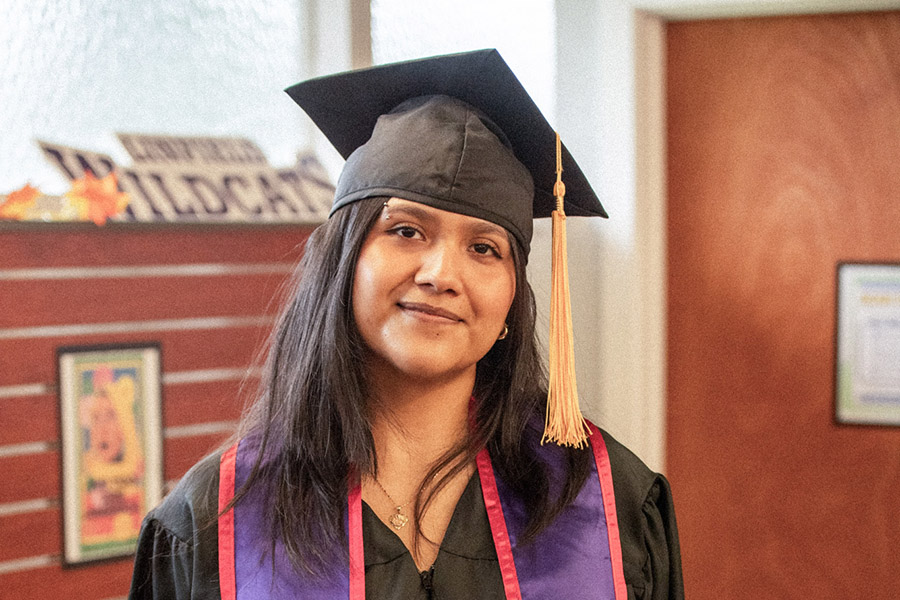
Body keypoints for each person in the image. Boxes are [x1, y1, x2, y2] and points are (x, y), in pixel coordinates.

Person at [128, 49, 683, 600]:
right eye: (406, 231)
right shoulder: (213, 525)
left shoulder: (610, 507)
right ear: (342, 266)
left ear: (513, 301)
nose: (442, 275)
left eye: (485, 248)